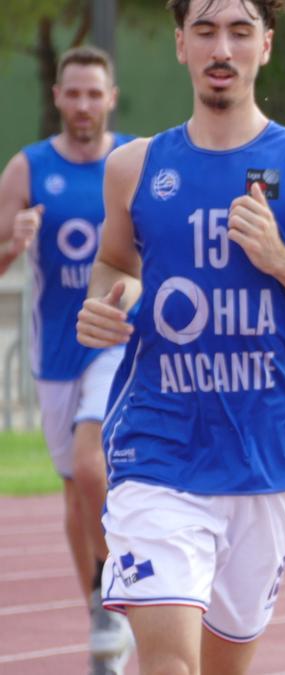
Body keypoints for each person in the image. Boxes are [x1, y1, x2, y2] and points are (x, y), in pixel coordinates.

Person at [74, 1, 285, 673]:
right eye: (205, 30)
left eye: (240, 31)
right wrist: (106, 300)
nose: (222, 48)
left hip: (263, 460)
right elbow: (114, 264)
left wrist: (282, 261)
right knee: (171, 664)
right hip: (157, 452)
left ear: (265, 46)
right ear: (180, 43)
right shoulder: (135, 166)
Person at [0, 45, 135, 675]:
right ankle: (99, 609)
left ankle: (118, 596)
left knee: (92, 468)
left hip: (114, 341)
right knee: (74, 498)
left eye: (94, 94)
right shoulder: (27, 169)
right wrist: (12, 243)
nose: (83, 105)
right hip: (55, 354)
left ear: (111, 97)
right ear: (57, 97)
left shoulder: (135, 161)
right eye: (72, 93)